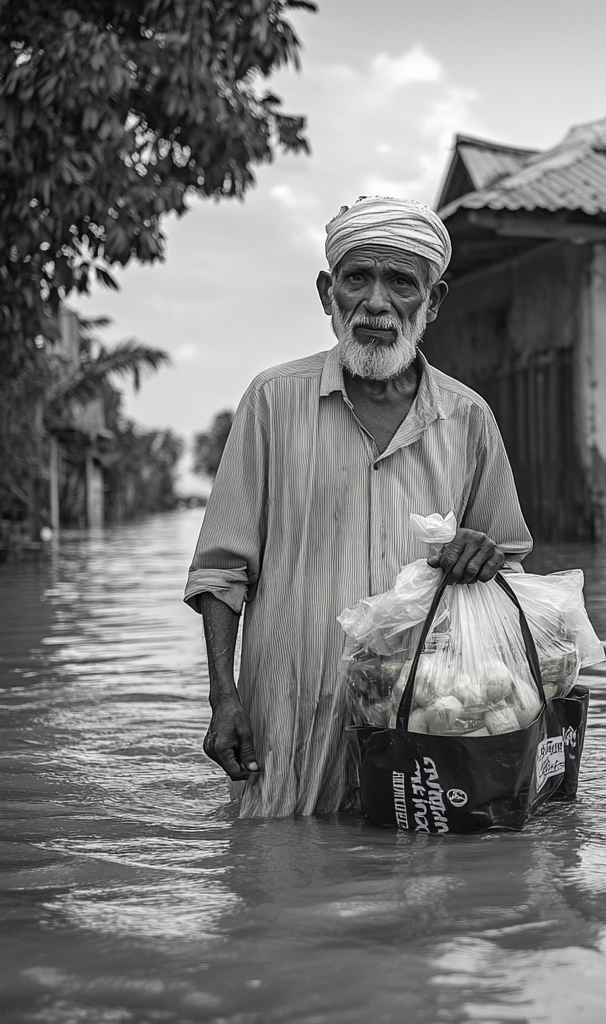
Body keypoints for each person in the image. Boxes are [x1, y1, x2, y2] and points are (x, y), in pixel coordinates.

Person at [184, 196, 532, 817]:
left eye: (400, 282)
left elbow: (507, 566)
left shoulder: (469, 418)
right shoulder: (273, 402)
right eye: (356, 279)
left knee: (419, 891)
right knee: (282, 881)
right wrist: (224, 699)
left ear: (434, 300)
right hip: (288, 719)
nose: (376, 302)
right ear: (327, 293)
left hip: (425, 727)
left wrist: (485, 553)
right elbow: (220, 570)